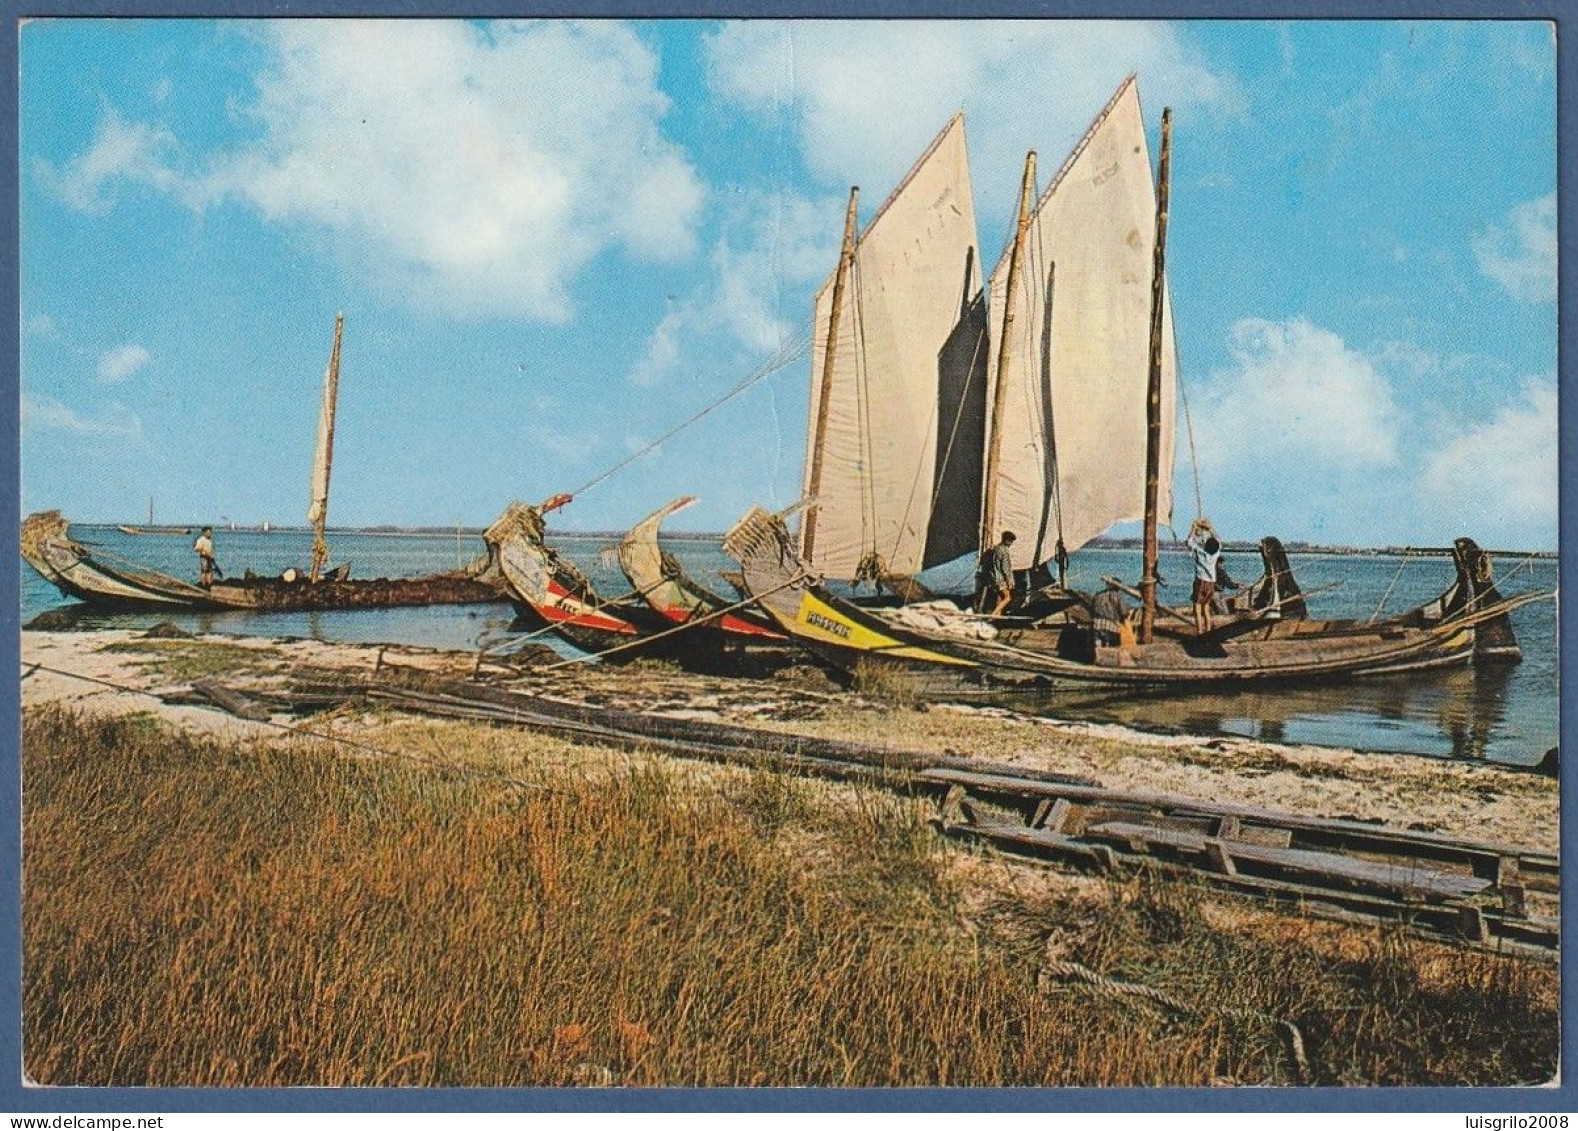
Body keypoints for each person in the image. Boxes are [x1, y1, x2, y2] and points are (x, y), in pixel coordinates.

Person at [1185, 518, 1221, 634]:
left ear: (1205, 546)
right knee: (1206, 607)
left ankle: (1200, 631)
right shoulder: (1216, 555)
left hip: (1201, 582)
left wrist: (1193, 528)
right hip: (1211, 583)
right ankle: (1209, 631)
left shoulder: (1200, 552)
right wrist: (1210, 528)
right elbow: (1219, 542)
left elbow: (1188, 542)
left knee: (1197, 607)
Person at [977, 531, 1017, 617]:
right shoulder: (1004, 551)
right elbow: (1005, 568)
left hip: (993, 577)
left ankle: (997, 617)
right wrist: (1009, 581)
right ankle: (993, 614)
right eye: (1011, 542)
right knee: (1007, 598)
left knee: (999, 597)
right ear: (1007, 541)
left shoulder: (995, 549)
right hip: (1000, 579)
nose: (1011, 544)